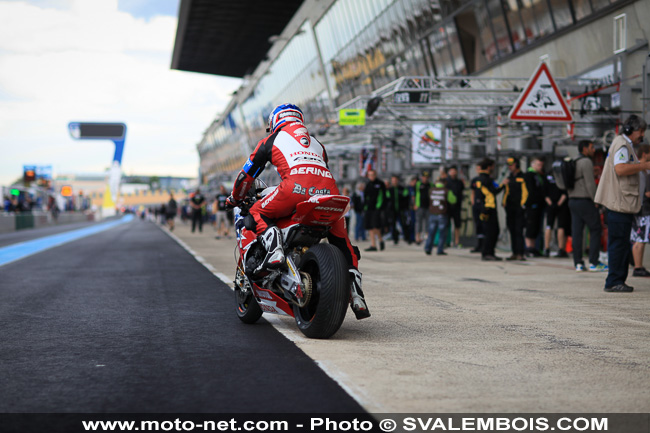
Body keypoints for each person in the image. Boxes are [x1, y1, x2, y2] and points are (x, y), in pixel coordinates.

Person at [225, 103, 369, 319]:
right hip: (329, 193)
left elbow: (246, 175)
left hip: (295, 188)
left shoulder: (271, 140)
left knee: (257, 211)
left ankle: (274, 251)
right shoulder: (318, 144)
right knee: (342, 243)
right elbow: (320, 171)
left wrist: (235, 198)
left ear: (274, 122)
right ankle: (356, 292)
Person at [595, 115, 650, 292]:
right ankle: (614, 281)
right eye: (640, 131)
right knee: (618, 244)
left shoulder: (625, 145)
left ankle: (617, 279)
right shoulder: (622, 145)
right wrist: (644, 166)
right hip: (619, 204)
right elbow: (620, 169)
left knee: (621, 243)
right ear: (630, 130)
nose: (642, 135)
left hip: (623, 204)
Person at [568, 140, 606, 272]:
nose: (594, 150)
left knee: (577, 232)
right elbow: (590, 184)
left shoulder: (574, 160)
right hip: (585, 200)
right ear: (584, 148)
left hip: (572, 200)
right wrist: (597, 200)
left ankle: (578, 263)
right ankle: (594, 262)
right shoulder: (586, 162)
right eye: (591, 147)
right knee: (595, 229)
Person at [474, 158, 503, 261]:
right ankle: (488, 253)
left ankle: (487, 252)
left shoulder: (478, 179)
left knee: (488, 231)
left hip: (481, 208)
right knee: (492, 231)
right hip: (488, 208)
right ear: (489, 167)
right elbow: (494, 191)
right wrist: (503, 185)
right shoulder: (487, 179)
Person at [630, 144, 650, 277]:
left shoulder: (639, 170)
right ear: (645, 154)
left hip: (638, 208)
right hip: (643, 209)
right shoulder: (643, 172)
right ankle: (638, 267)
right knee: (641, 238)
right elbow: (645, 193)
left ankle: (638, 265)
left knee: (639, 238)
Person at [502, 157, 527, 261]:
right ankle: (514, 252)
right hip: (509, 208)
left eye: (511, 165)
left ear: (517, 165)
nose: (510, 167)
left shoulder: (523, 177)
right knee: (511, 230)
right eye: (508, 165)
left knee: (518, 230)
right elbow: (505, 191)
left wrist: (523, 205)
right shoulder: (509, 178)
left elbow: (526, 192)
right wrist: (503, 202)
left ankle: (520, 253)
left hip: (519, 208)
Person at [424, 177, 456, 256]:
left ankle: (428, 248)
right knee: (442, 232)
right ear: (444, 183)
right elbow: (453, 200)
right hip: (442, 214)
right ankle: (440, 249)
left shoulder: (431, 190)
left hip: (432, 213)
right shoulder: (446, 191)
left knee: (431, 232)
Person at [524, 156, 546, 257]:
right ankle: (529, 247)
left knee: (536, 226)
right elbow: (530, 190)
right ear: (532, 165)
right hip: (531, 204)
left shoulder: (539, 175)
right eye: (538, 165)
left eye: (541, 165)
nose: (540, 167)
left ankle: (533, 247)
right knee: (530, 226)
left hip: (539, 205)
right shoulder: (529, 175)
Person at [543, 172, 570, 258]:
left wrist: (550, 203)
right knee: (560, 227)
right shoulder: (562, 176)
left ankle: (547, 248)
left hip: (550, 204)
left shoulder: (547, 177)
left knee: (549, 226)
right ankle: (561, 249)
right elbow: (565, 193)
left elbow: (545, 193)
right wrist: (559, 204)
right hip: (560, 205)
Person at [364, 169, 386, 252]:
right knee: (369, 226)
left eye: (373, 175)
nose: (371, 177)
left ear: (375, 175)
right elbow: (366, 196)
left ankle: (380, 240)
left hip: (376, 208)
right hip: (369, 208)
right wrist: (365, 206)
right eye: (370, 175)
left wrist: (379, 206)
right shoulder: (368, 184)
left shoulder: (380, 184)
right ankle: (373, 244)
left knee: (376, 226)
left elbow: (383, 196)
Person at [385, 175, 411, 245]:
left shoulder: (402, 189)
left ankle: (407, 238)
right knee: (392, 224)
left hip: (401, 209)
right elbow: (387, 199)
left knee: (403, 223)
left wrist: (405, 206)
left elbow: (406, 197)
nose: (394, 182)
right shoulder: (389, 190)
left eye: (395, 180)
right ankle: (395, 238)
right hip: (392, 210)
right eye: (393, 181)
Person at [445, 165, 465, 248]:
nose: (453, 173)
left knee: (457, 225)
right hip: (447, 207)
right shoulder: (446, 182)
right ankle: (446, 241)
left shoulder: (459, 182)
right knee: (446, 225)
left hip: (457, 207)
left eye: (454, 171)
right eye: (451, 171)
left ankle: (457, 242)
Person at [469, 162, 484, 253]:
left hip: (484, 205)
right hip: (477, 205)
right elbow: (472, 192)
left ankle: (484, 244)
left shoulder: (486, 179)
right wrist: (473, 202)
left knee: (484, 225)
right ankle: (479, 244)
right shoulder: (474, 180)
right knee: (478, 224)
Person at [414, 171, 432, 245]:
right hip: (420, 206)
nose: (425, 179)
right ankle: (417, 237)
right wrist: (415, 203)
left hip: (428, 206)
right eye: (424, 177)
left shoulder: (430, 185)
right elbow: (414, 194)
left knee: (428, 222)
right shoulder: (418, 184)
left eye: (426, 177)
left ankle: (427, 237)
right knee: (419, 222)